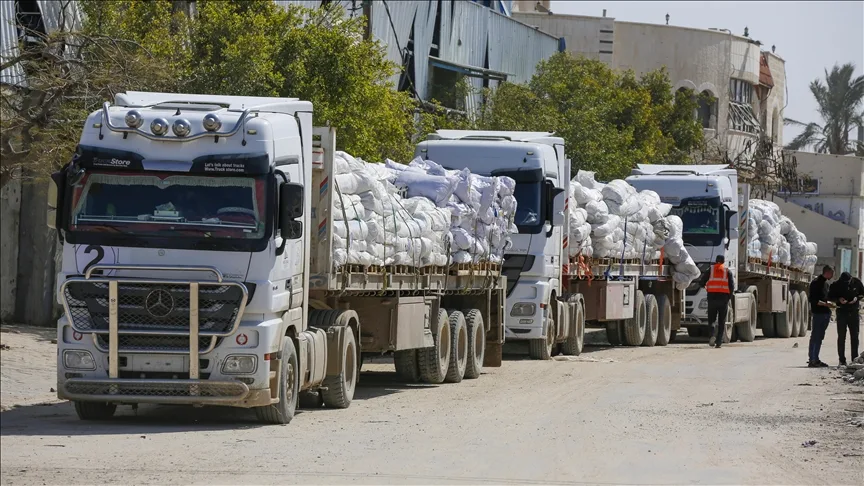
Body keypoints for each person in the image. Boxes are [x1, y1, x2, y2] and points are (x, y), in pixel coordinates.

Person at [700, 254, 735, 348]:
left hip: (712, 297)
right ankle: (719, 342)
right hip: (723, 298)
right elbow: (731, 286)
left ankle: (711, 336)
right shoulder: (727, 271)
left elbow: (701, 282)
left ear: (716, 261)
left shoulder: (710, 270)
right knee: (721, 321)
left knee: (711, 319)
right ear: (723, 261)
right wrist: (729, 297)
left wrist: (707, 288)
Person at [829, 272, 862, 366]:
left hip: (854, 312)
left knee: (854, 336)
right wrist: (838, 299)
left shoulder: (857, 282)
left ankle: (854, 359)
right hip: (841, 312)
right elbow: (830, 296)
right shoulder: (835, 285)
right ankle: (842, 360)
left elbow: (862, 294)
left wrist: (856, 298)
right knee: (841, 337)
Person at [808, 265, 836, 368]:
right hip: (818, 313)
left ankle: (816, 358)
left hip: (825, 313)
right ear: (827, 272)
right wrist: (826, 304)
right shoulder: (816, 283)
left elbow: (826, 298)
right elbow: (814, 300)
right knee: (815, 336)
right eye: (831, 273)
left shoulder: (826, 284)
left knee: (820, 337)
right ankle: (812, 359)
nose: (832, 275)